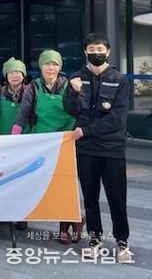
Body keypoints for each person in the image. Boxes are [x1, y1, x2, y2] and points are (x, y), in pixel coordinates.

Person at [63, 33, 133, 263]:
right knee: (90, 197)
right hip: (86, 150)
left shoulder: (119, 79)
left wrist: (86, 131)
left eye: (100, 49)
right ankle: (95, 239)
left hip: (112, 149)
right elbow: (70, 109)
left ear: (108, 52)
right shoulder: (77, 78)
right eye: (92, 49)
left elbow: (117, 118)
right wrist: (73, 92)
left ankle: (122, 242)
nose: (96, 53)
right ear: (85, 52)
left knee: (117, 198)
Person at [12, 49, 78, 244]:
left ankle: (66, 224)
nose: (51, 68)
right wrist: (15, 135)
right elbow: (23, 112)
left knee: (64, 183)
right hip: (42, 140)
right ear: (41, 67)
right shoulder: (33, 87)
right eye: (47, 64)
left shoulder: (69, 85)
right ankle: (26, 214)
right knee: (36, 180)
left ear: (60, 67)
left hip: (65, 140)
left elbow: (78, 110)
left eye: (55, 64)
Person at [0, 57, 28, 135]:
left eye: (17, 72)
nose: (14, 76)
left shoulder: (30, 92)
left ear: (23, 76)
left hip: (26, 137)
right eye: (11, 73)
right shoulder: (0, 91)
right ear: (6, 76)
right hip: (3, 137)